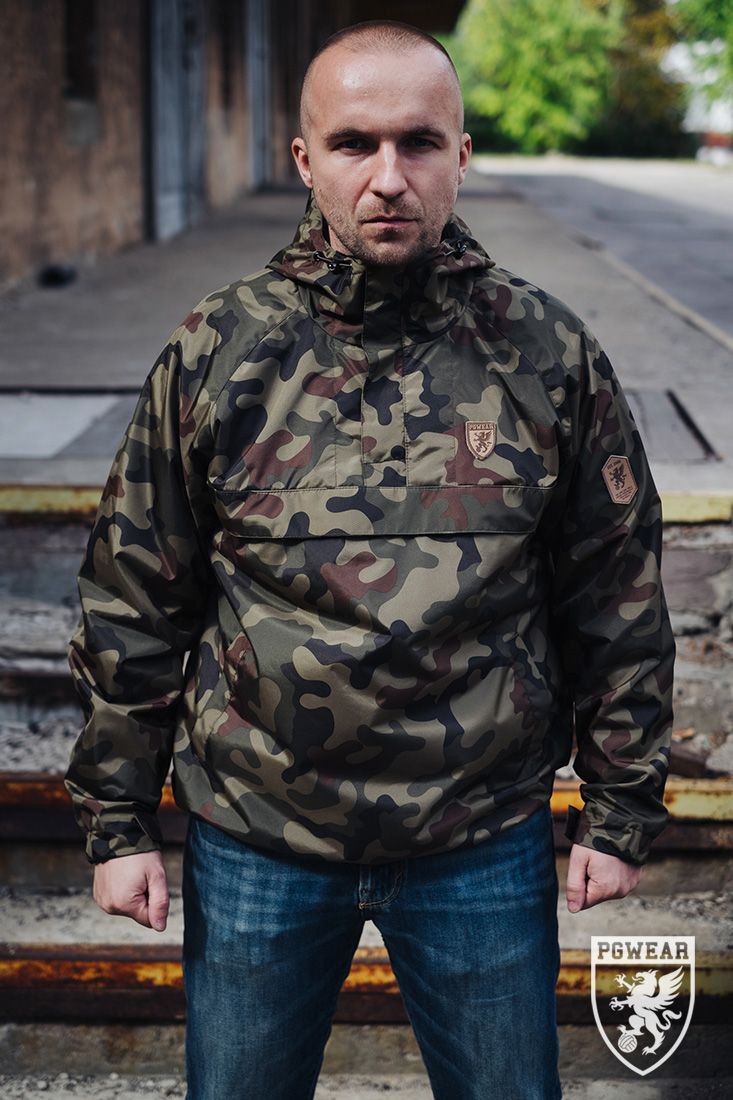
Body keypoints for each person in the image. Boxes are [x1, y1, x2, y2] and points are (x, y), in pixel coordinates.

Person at [64, 19, 675, 1100]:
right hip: (258, 835)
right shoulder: (220, 349)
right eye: (354, 143)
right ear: (305, 160)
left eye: (417, 142)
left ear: (460, 155)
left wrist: (619, 810)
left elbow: (615, 589)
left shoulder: (545, 351)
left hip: (478, 836)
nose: (388, 177)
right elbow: (136, 593)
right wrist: (118, 821)